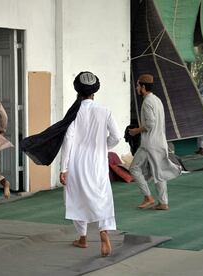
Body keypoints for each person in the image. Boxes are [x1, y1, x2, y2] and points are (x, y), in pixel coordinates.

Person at [59, 71, 121, 257]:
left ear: (77, 90)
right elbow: (117, 137)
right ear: (95, 91)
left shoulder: (74, 113)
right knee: (102, 196)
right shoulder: (105, 111)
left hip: (77, 163)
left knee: (76, 198)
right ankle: (103, 233)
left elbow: (68, 139)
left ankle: (83, 238)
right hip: (98, 163)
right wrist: (103, 147)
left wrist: (63, 168)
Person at [128, 74, 181, 211]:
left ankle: (148, 197)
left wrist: (136, 131)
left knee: (134, 169)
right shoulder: (157, 100)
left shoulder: (147, 102)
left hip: (149, 144)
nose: (137, 87)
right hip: (160, 141)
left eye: (138, 85)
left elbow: (150, 124)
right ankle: (163, 202)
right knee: (159, 171)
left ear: (143, 87)